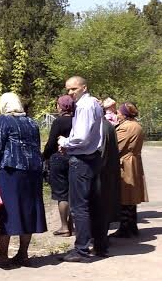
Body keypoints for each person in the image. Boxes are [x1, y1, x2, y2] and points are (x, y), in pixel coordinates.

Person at [0, 92, 47, 269]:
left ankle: (3, 256)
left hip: (10, 172)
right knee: (27, 211)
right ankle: (23, 254)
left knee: (6, 212)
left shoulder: (1, 121)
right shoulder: (32, 123)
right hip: (32, 173)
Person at [57, 76, 104, 263]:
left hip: (83, 158)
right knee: (92, 203)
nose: (70, 93)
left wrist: (65, 142)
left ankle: (82, 250)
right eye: (68, 89)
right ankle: (98, 243)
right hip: (92, 157)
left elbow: (81, 137)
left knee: (79, 206)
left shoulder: (85, 106)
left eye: (73, 89)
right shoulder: (93, 103)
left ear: (84, 87)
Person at [111, 102, 149, 238]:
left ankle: (125, 227)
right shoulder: (137, 125)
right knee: (131, 196)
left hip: (126, 163)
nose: (117, 114)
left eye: (119, 112)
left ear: (125, 114)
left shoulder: (126, 127)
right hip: (133, 161)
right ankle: (132, 226)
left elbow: (116, 146)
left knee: (125, 195)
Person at [42, 95, 75, 237]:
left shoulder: (58, 121)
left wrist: (44, 156)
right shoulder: (78, 120)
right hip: (75, 158)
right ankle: (72, 224)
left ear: (60, 106)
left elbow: (51, 143)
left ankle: (64, 227)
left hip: (59, 159)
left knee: (62, 194)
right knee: (74, 192)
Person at [95, 115, 121, 255]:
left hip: (101, 173)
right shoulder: (108, 125)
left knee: (99, 207)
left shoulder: (101, 126)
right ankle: (102, 238)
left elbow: (103, 152)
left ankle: (99, 241)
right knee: (104, 208)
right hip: (108, 173)